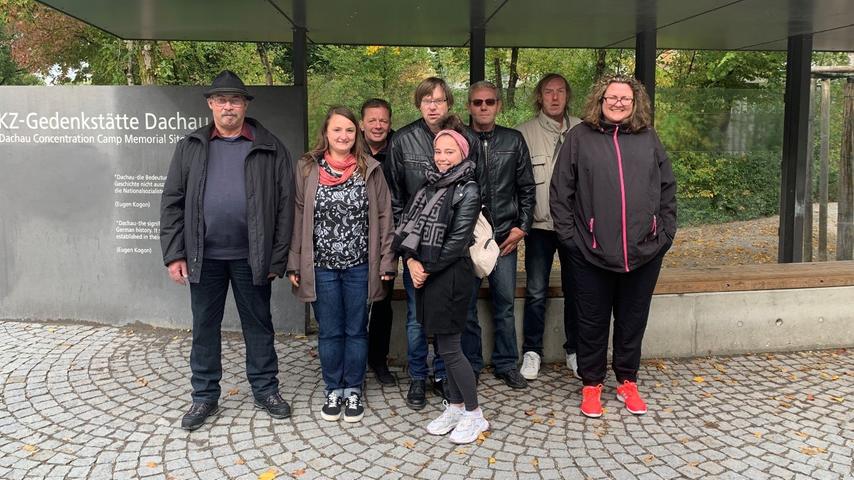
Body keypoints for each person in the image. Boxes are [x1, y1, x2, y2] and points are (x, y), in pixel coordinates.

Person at [160, 70, 294, 430]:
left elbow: (285, 205)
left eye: (235, 99)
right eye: (221, 100)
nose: (228, 106)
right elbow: (172, 202)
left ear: (245, 104)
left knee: (259, 325)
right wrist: (175, 254)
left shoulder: (269, 145)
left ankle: (266, 389)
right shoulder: (190, 146)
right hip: (204, 256)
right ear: (210, 104)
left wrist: (277, 258)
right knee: (204, 326)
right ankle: (204, 397)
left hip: (254, 256)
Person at [550, 75, 677, 418]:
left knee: (632, 320)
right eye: (612, 97)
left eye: (625, 98)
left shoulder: (648, 138)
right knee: (591, 322)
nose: (618, 103)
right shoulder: (580, 138)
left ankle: (627, 381)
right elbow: (561, 193)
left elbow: (667, 188)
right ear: (600, 100)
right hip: (591, 252)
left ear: (635, 103)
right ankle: (592, 385)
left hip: (644, 251)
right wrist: (572, 240)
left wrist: (665, 234)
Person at [287, 106, 395, 423]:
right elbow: (297, 218)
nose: (344, 136)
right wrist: (294, 261)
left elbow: (385, 218)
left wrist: (387, 260)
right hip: (321, 266)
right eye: (337, 130)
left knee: (356, 331)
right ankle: (334, 388)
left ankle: (354, 390)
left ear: (356, 133)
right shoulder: (308, 169)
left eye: (349, 130)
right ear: (326, 133)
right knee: (330, 332)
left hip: (360, 265)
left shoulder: (370, 169)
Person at [394, 115, 488, 444]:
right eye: (438, 151)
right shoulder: (428, 185)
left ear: (463, 154)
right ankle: (457, 405)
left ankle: (474, 414)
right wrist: (411, 260)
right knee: (440, 345)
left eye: (450, 151)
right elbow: (409, 230)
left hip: (450, 275)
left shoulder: (469, 189)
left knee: (450, 347)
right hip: (430, 273)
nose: (443, 157)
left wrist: (424, 267)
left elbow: (457, 241)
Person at [386, 77, 479, 409]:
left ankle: (445, 378)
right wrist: (409, 254)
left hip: (449, 256)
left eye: (439, 100)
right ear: (418, 103)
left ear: (448, 104)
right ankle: (417, 377)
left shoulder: (464, 138)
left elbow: (471, 192)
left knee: (452, 318)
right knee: (416, 317)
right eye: (427, 100)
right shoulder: (402, 140)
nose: (433, 106)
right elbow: (396, 199)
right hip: (415, 247)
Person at [461, 81, 535, 389]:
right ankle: (471, 365)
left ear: (498, 105)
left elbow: (528, 188)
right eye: (477, 102)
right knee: (466, 306)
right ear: (469, 106)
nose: (483, 107)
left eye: (489, 102)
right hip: (468, 238)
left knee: (504, 303)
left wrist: (522, 228)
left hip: (504, 237)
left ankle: (507, 364)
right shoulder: (460, 139)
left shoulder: (513, 140)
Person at [515, 73, 582, 381]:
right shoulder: (523, 134)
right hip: (539, 227)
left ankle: (576, 350)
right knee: (537, 290)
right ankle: (532, 352)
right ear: (539, 97)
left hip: (575, 228)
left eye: (560, 92)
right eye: (548, 92)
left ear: (567, 96)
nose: (554, 97)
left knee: (578, 289)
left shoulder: (584, 130)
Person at [359, 98, 397, 386]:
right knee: (355, 303)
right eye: (372, 120)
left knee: (383, 300)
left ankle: (379, 360)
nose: (377, 125)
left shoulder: (399, 149)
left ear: (390, 123)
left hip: (388, 236)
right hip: (355, 237)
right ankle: (355, 361)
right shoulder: (348, 148)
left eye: (383, 120)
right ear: (361, 124)